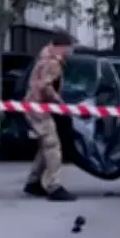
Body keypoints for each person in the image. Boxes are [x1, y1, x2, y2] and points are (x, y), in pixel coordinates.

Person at [22, 33, 76, 202]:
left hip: (33, 106)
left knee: (44, 146)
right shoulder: (53, 63)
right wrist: (58, 101)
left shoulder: (44, 59)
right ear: (62, 46)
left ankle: (33, 182)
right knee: (52, 146)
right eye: (70, 47)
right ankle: (54, 186)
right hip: (39, 108)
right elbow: (45, 86)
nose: (71, 51)